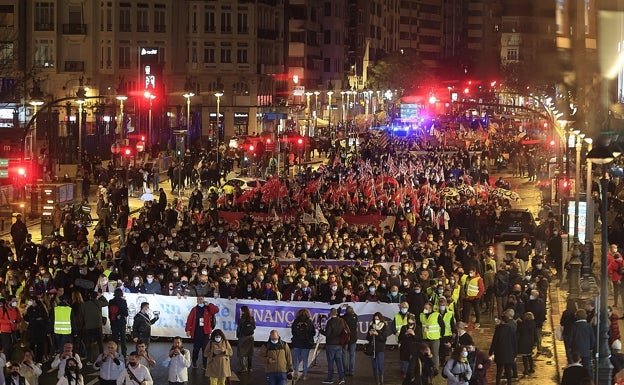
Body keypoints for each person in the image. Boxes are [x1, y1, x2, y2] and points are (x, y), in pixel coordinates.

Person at [185, 296, 219, 369]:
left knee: (205, 350)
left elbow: (216, 310)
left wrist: (209, 304)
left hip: (205, 333)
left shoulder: (207, 308)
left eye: (201, 299)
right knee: (196, 349)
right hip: (197, 332)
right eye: (199, 299)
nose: (200, 300)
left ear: (204, 300)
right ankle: (194, 361)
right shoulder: (194, 309)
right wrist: (188, 330)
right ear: (197, 301)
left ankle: (205, 365)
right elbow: (189, 320)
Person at [489, 313, 517, 385]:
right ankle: (509, 383)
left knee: (499, 371)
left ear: (502, 321)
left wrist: (491, 351)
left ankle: (497, 383)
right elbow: (514, 343)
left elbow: (494, 341)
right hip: (509, 353)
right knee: (508, 371)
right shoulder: (511, 330)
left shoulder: (498, 330)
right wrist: (515, 354)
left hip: (500, 353)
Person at [320, 308, 346, 385]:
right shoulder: (341, 321)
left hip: (330, 345)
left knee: (330, 362)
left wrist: (320, 330)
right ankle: (342, 378)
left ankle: (330, 379)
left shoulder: (330, 322)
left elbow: (327, 334)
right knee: (339, 362)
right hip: (338, 344)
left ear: (331, 313)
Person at [568, 308, 596, 375]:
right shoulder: (588, 326)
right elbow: (593, 339)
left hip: (576, 352)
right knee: (587, 368)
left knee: (576, 368)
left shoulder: (574, 327)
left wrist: (571, 348)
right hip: (586, 351)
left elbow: (570, 340)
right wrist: (590, 348)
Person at [291, 308, 316, 380]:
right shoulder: (309, 322)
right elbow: (313, 333)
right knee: (305, 360)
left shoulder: (296, 321)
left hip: (297, 343)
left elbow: (293, 332)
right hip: (306, 343)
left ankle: (295, 374)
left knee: (296, 359)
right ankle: (305, 375)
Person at [367, 311, 389, 385]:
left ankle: (381, 380)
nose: (376, 320)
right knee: (374, 366)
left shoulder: (384, 326)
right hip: (372, 348)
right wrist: (370, 334)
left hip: (380, 348)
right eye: (375, 319)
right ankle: (376, 381)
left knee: (380, 365)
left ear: (380, 319)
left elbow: (384, 339)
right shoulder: (371, 326)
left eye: (378, 319)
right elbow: (367, 338)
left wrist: (377, 334)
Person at [108, 288, 128, 357]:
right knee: (123, 338)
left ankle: (115, 353)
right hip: (122, 322)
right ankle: (124, 354)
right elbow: (126, 313)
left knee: (115, 339)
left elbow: (110, 313)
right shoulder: (123, 301)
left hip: (114, 322)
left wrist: (112, 320)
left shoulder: (111, 301)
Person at [235, 305, 256, 373]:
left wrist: (238, 336)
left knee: (241, 353)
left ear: (243, 311)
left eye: (241, 311)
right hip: (250, 337)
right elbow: (254, 327)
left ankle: (244, 368)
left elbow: (239, 329)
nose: (240, 312)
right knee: (250, 353)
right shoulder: (252, 318)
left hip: (242, 337)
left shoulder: (241, 320)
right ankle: (250, 368)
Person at [341, 305, 358, 377]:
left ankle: (345, 371)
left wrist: (340, 308)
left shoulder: (344, 318)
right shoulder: (355, 317)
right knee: (352, 355)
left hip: (345, 338)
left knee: (344, 354)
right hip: (353, 338)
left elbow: (338, 314)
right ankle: (351, 371)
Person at [516, 311, 536, 376]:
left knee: (524, 356)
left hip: (524, 341)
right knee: (529, 355)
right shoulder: (533, 323)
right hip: (530, 341)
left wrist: (519, 322)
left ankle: (526, 370)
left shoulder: (524, 324)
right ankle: (531, 368)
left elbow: (519, 329)